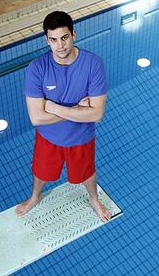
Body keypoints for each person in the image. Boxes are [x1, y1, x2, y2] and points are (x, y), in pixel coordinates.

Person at [15, 11, 111, 222]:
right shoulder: (37, 68)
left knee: (86, 173)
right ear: (46, 40)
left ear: (74, 34)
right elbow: (36, 119)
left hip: (81, 138)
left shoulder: (93, 64)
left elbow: (97, 113)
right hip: (48, 138)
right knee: (41, 172)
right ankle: (34, 197)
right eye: (54, 40)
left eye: (65, 37)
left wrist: (54, 108)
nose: (60, 46)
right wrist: (78, 109)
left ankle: (94, 199)